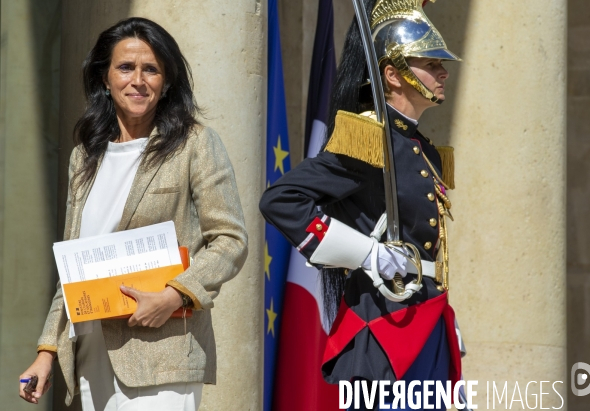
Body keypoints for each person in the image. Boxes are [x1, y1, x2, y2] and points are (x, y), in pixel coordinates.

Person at [18, 17, 248, 411]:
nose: (138, 80)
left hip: (164, 354)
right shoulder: (84, 157)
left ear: (167, 81)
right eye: (125, 67)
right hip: (90, 356)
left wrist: (173, 296)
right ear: (105, 78)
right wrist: (46, 351)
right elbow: (74, 266)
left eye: (151, 69)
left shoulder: (195, 144)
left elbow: (230, 239)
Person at [260, 0, 463, 409]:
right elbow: (282, 200)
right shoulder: (368, 140)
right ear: (393, 74)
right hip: (386, 323)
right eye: (430, 62)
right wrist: (367, 253)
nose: (443, 72)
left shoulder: (422, 149)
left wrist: (446, 318)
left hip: (428, 317)